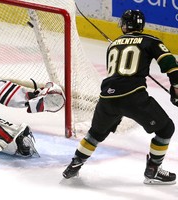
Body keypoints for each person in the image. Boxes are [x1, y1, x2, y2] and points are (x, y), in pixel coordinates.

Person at [62, 10, 177, 185]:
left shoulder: (113, 45)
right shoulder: (150, 40)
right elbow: (171, 66)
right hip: (133, 97)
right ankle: (153, 170)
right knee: (166, 129)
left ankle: (74, 165)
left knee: (95, 134)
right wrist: (176, 89)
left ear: (124, 25)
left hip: (106, 98)